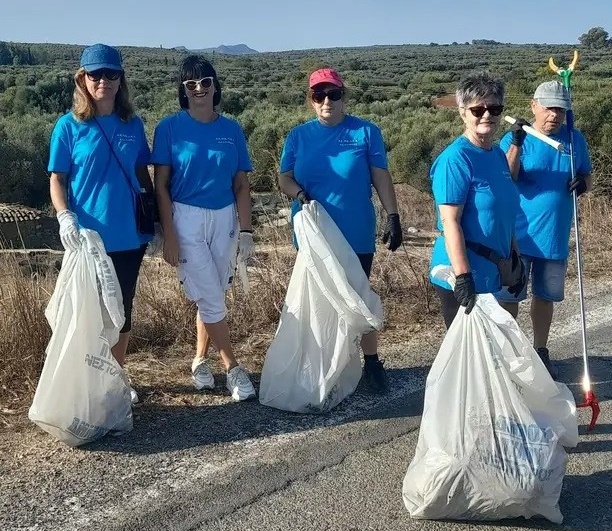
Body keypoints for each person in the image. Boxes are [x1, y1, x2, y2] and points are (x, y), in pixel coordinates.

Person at [278, 67, 403, 395]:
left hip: (355, 233)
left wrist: (393, 215)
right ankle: (325, 369)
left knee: (359, 298)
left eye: (333, 93)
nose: (327, 101)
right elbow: (284, 178)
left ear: (343, 96)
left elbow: (380, 175)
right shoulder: (298, 137)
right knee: (321, 304)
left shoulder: (366, 133)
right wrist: (299, 194)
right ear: (311, 100)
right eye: (319, 95)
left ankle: (372, 364)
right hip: (314, 235)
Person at [48, 43, 152, 405]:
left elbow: (142, 173)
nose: (103, 81)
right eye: (95, 74)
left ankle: (114, 379)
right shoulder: (68, 126)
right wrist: (65, 217)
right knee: (87, 313)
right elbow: (58, 178)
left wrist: (153, 221)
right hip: (88, 239)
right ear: (83, 79)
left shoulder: (132, 124)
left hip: (129, 236)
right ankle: (85, 381)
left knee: (121, 310)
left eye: (111, 74)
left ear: (121, 79)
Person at [152, 55, 256, 401]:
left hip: (225, 216)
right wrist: (169, 234)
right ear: (183, 91)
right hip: (186, 217)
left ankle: (199, 360)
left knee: (212, 294)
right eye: (191, 84)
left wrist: (246, 232)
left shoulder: (231, 130)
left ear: (215, 86)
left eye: (205, 82)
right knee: (211, 295)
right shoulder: (169, 128)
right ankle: (233, 368)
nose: (199, 89)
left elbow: (241, 184)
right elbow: (161, 185)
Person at [495, 80, 592, 379]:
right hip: (518, 238)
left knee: (545, 297)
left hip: (555, 236)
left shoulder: (575, 140)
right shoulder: (516, 139)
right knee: (509, 298)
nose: (554, 115)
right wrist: (516, 143)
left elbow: (587, 175)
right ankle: (508, 354)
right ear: (534, 106)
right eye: (549, 108)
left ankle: (540, 350)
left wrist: (583, 184)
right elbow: (507, 177)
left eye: (560, 109)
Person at [429, 71, 523, 329]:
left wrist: (515, 261)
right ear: (462, 112)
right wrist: (463, 276)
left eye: (494, 108)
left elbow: (505, 213)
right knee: (469, 361)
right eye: (477, 109)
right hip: (463, 271)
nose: (486, 115)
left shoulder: (497, 156)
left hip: (492, 270)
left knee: (490, 355)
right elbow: (450, 222)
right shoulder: (455, 159)